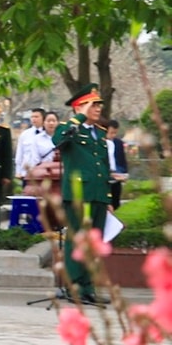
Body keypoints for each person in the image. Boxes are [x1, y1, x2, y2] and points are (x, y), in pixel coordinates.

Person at [54, 89, 111, 302]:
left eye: (98, 105)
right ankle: (75, 287)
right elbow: (58, 140)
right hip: (79, 195)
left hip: (97, 195)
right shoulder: (69, 129)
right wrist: (78, 117)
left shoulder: (99, 133)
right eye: (92, 105)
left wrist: (108, 199)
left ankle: (88, 288)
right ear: (79, 107)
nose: (98, 109)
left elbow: (103, 166)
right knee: (77, 241)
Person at [15, 106, 56, 183]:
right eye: (32, 117)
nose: (34, 119)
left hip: (46, 172)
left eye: (36, 117)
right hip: (27, 172)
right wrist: (18, 171)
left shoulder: (50, 134)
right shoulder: (25, 134)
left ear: (43, 118)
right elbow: (20, 154)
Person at [107, 120, 129, 211]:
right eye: (111, 133)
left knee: (115, 204)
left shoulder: (118, 143)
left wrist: (123, 173)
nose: (113, 135)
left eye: (115, 133)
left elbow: (122, 160)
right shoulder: (99, 143)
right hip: (105, 178)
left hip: (117, 178)